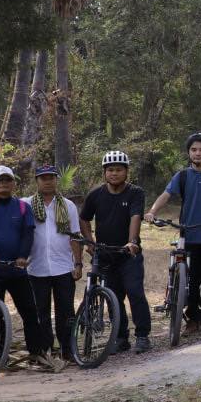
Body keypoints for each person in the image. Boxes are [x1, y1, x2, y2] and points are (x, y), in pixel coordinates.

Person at [0, 166, 60, 371]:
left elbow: (28, 234)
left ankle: (36, 353)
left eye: (7, 180)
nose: (4, 184)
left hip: (16, 270)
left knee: (30, 312)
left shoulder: (22, 207)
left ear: (13, 183)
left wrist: (22, 256)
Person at [145, 133, 201, 330]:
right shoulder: (181, 176)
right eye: (194, 150)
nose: (198, 153)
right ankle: (192, 317)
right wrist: (152, 212)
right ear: (188, 152)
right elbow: (166, 195)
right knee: (191, 278)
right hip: (188, 235)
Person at [80, 150, 152, 353]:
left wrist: (132, 242)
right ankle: (120, 337)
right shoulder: (95, 194)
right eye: (110, 170)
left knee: (135, 292)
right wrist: (90, 242)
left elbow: (135, 217)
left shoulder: (135, 192)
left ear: (126, 172)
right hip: (105, 254)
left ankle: (142, 336)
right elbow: (84, 218)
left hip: (128, 254)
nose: (114, 173)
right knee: (113, 296)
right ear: (104, 172)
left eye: (119, 169)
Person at [25, 165, 83, 363]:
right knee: (40, 312)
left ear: (56, 180)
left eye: (51, 177)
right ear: (37, 181)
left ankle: (68, 349)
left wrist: (78, 264)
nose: (48, 181)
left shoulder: (68, 205)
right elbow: (2, 205)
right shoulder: (26, 204)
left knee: (65, 311)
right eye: (43, 178)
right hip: (36, 267)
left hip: (63, 267)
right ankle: (45, 350)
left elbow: (74, 235)